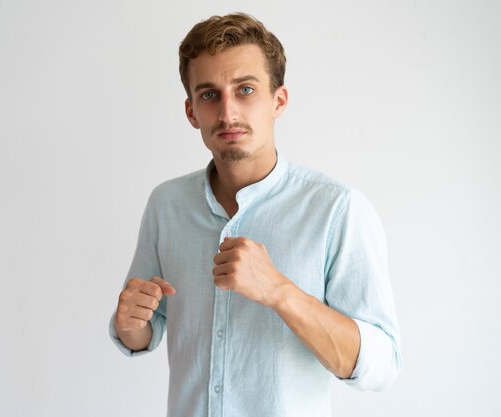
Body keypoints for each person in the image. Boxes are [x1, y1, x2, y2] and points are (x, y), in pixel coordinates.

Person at [110, 12, 401, 417]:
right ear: (192, 111)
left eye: (245, 89)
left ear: (278, 100)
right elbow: (145, 329)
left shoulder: (337, 209)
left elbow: (381, 366)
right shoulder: (166, 204)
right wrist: (129, 325)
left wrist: (280, 291)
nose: (227, 113)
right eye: (209, 94)